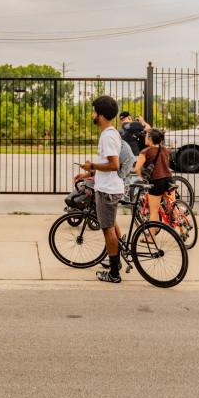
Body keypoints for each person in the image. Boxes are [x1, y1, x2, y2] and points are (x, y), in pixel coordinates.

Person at [74, 96, 125, 284]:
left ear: (101, 115)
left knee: (107, 229)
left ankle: (114, 273)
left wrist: (92, 166)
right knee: (111, 224)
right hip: (108, 187)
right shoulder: (110, 134)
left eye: (94, 111)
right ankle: (117, 259)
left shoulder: (108, 136)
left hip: (108, 190)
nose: (92, 114)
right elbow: (106, 165)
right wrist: (87, 174)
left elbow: (114, 165)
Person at [134, 128, 174, 224]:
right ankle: (182, 228)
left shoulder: (145, 151)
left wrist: (143, 178)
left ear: (150, 138)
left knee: (154, 211)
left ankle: (151, 238)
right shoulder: (164, 150)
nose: (145, 137)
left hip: (156, 182)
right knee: (172, 206)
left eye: (146, 135)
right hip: (169, 179)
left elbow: (137, 169)